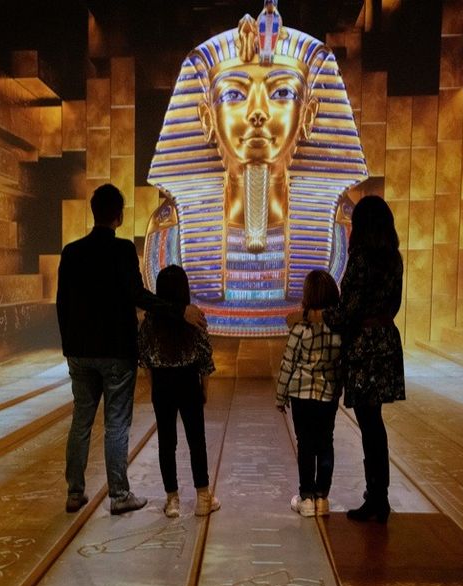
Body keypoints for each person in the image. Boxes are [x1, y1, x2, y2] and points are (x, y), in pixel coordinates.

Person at [142, 3, 367, 337]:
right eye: (234, 93)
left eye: (281, 92)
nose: (258, 112)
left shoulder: (342, 231)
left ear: (308, 116)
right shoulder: (168, 232)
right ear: (206, 118)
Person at [57, 184, 207, 515]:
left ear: (93, 211)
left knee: (81, 420)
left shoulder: (71, 253)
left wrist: (69, 346)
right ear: (119, 216)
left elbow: (62, 304)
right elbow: (137, 296)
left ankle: (74, 491)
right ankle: (119, 494)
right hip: (115, 351)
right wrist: (179, 310)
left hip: (80, 353)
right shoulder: (123, 251)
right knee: (116, 422)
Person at [292, 195, 405, 523]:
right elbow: (394, 304)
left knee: (369, 424)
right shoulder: (393, 259)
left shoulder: (360, 259)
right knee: (374, 423)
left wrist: (312, 316)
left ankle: (377, 498)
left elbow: (346, 312)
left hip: (365, 347)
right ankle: (377, 494)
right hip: (386, 339)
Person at [138, 265, 221, 518]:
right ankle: (203, 497)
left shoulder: (150, 322)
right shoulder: (194, 318)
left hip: (162, 384)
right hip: (189, 383)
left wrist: (155, 389)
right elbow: (205, 359)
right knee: (197, 441)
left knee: (167, 442)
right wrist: (204, 390)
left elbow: (145, 361)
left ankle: (172, 499)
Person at [275, 269, 342, 518]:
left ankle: (306, 498)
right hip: (328, 394)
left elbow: (287, 363)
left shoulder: (299, 328)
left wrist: (280, 396)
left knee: (305, 445)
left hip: (301, 395)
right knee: (325, 442)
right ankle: (322, 497)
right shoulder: (338, 330)